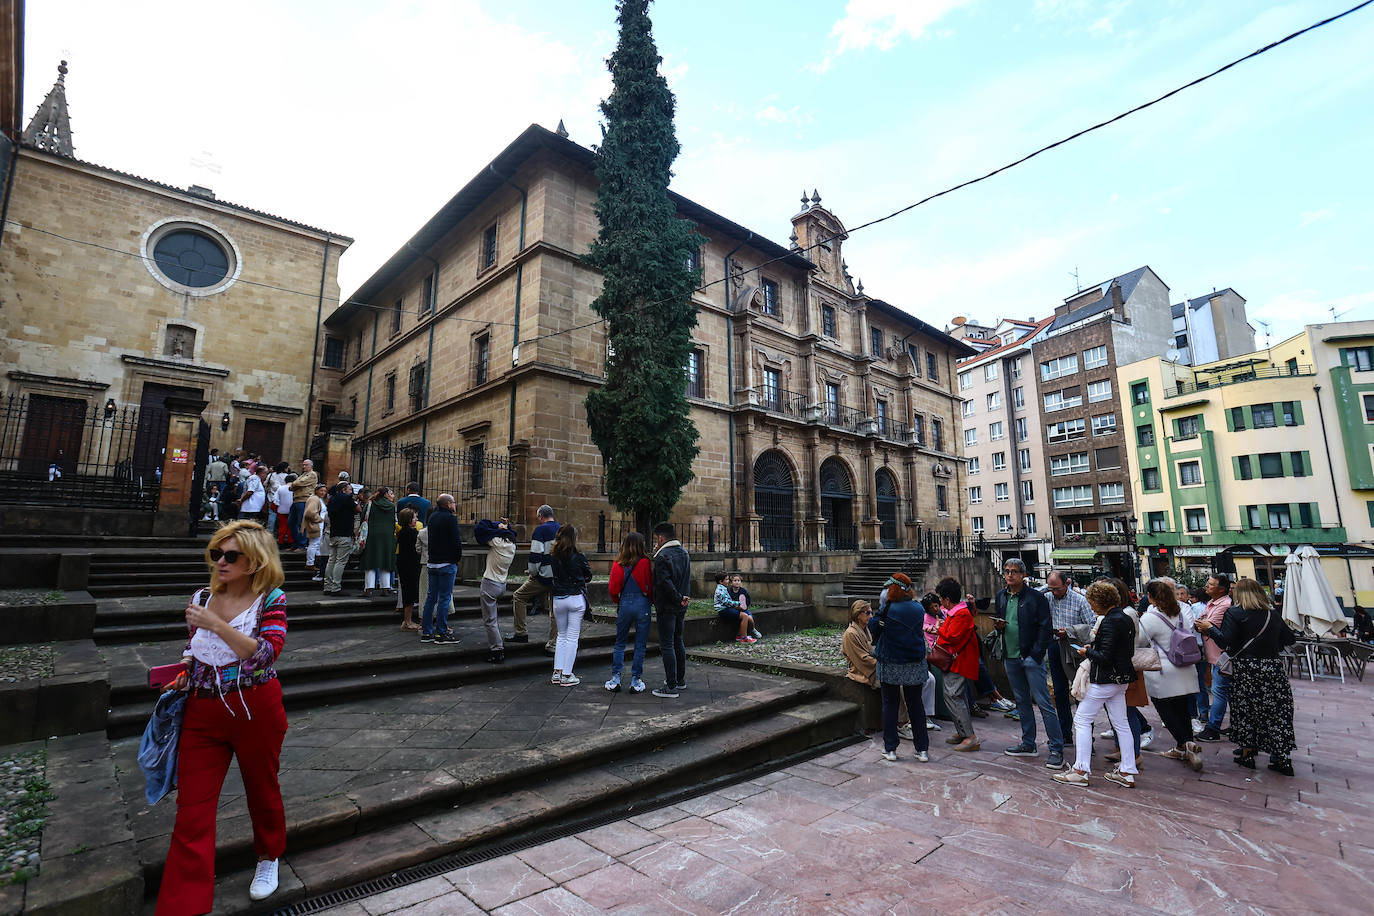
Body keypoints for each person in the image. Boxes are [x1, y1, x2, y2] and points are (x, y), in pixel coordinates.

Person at [154, 521, 289, 914]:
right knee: (192, 809)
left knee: (262, 790)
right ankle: (183, 904)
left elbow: (265, 653)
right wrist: (183, 671)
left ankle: (268, 857)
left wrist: (216, 624)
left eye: (231, 555)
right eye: (216, 553)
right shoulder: (202, 597)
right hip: (202, 712)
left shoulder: (271, 599)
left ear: (255, 561)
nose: (221, 562)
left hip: (255, 709)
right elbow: (194, 648)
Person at [1196, 579, 1298, 775]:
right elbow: (1289, 639)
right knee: (1277, 712)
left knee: (1246, 711)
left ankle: (1247, 753)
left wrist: (1210, 628)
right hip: (1272, 668)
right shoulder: (1272, 613)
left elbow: (1225, 642)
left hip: (1246, 668)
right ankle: (1281, 757)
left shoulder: (1234, 613)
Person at [1052, 580, 1138, 789]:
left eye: (1092, 602)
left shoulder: (1109, 621)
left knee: (1082, 720)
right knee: (1121, 723)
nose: (1090, 606)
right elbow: (1121, 650)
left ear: (1100, 601)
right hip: (1121, 679)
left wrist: (1087, 651)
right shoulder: (1125, 618)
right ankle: (1127, 771)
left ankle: (1080, 771)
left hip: (1106, 679)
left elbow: (1105, 657)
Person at [993, 559, 1065, 769]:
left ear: (1023, 574)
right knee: (1021, 701)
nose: (1010, 575)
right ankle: (1028, 743)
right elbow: (1003, 621)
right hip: (1010, 655)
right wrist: (999, 627)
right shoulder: (1001, 596)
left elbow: (1045, 628)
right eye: (1007, 571)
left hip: (1030, 657)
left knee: (1044, 703)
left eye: (1014, 571)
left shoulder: (1036, 598)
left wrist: (1035, 654)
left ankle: (1056, 748)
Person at [1140, 579, 1205, 772]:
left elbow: (1140, 641)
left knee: (1165, 709)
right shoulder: (1181, 613)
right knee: (1182, 709)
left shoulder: (1150, 617)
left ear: (1150, 597)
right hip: (1185, 666)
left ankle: (1186, 744)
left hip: (1163, 669)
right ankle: (1183, 746)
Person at [869, 575, 930, 762]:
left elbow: (872, 627)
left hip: (891, 662)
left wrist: (880, 610)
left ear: (894, 589)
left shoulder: (888, 609)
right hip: (914, 662)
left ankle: (890, 749)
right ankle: (922, 750)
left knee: (890, 705)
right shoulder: (918, 608)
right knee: (916, 705)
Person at [1045, 569, 1094, 746]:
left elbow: (1091, 626)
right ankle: (1065, 733)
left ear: (1067, 583)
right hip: (1055, 646)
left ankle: (1086, 736)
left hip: (1075, 648)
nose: (1054, 592)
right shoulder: (1047, 598)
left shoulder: (1080, 600)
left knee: (1080, 690)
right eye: (1051, 589)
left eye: (1057, 589)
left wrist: (1070, 631)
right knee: (1059, 692)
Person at [933, 576, 980, 752]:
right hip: (957, 659)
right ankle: (963, 732)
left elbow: (951, 636)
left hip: (959, 660)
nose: (940, 602)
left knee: (953, 695)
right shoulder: (958, 612)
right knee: (956, 695)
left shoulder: (960, 613)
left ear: (946, 599)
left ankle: (969, 736)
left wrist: (939, 628)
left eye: (941, 598)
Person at [606, 532, 653, 692]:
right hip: (642, 603)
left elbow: (613, 589)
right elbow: (650, 585)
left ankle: (616, 678)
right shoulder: (645, 562)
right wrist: (649, 599)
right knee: (640, 644)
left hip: (625, 603)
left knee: (620, 642)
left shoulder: (618, 563)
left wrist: (618, 601)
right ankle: (635, 680)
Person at [510, 505, 560, 652]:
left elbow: (536, 555)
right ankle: (553, 644)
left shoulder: (540, 530)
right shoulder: (561, 529)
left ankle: (521, 632)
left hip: (543, 576)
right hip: (558, 576)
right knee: (555, 611)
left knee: (519, 596)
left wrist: (532, 571)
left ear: (540, 516)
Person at [651, 523, 691, 699]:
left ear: (660, 538)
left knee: (667, 644)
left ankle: (671, 686)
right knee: (678, 640)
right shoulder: (684, 552)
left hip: (667, 605)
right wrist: (683, 598)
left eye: (656, 539)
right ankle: (680, 680)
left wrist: (677, 598)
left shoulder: (662, 556)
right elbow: (686, 578)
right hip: (681, 604)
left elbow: (664, 582)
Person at [549, 525, 592, 686]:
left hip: (558, 598)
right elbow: (588, 575)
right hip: (575, 598)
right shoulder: (579, 556)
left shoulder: (553, 555)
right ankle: (567, 675)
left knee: (561, 635)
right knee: (572, 637)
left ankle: (557, 672)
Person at [1195, 573, 1234, 742]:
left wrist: (1205, 626)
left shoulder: (1224, 605)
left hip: (1221, 656)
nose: (1207, 586)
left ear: (1221, 589)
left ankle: (1213, 728)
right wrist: (1204, 625)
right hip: (1214, 655)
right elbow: (1199, 622)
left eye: (1211, 584)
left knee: (1219, 692)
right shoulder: (1212, 603)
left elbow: (1210, 625)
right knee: (1226, 692)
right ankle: (1236, 725)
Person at [421, 494, 462, 645]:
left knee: (431, 598)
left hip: (432, 563)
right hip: (446, 563)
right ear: (448, 504)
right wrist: (457, 558)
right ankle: (441, 633)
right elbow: (456, 540)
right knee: (444, 598)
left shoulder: (432, 517)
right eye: (454, 502)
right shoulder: (450, 518)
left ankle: (426, 632)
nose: (455, 505)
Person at [473, 517, 516, 663]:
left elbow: (481, 528)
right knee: (493, 618)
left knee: (490, 620)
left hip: (490, 584)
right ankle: (497, 646)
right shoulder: (512, 545)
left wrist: (496, 526)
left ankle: (497, 650)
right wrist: (505, 527)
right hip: (502, 584)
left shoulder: (497, 542)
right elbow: (511, 533)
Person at [361, 486, 398, 597]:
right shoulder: (392, 506)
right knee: (386, 561)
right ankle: (385, 588)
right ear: (385, 494)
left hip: (372, 535)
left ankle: (368, 589)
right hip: (388, 536)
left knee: (370, 562)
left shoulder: (370, 504)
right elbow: (394, 521)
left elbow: (363, 518)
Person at [322, 482, 357, 595]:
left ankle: (327, 586)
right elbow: (358, 509)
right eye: (350, 489)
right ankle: (336, 587)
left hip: (334, 533)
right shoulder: (347, 498)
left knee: (331, 560)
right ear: (344, 490)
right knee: (340, 562)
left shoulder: (332, 500)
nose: (351, 492)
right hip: (345, 533)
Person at [395, 508, 423, 631]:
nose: (416, 519)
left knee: (409, 592)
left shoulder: (406, 531)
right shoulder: (408, 532)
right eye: (414, 517)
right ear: (408, 520)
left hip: (407, 564)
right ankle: (407, 621)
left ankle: (408, 620)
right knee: (409, 592)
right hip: (409, 565)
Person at [714, 571, 757, 643]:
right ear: (721, 581)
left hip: (726, 609)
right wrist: (738, 603)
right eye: (726, 579)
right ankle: (744, 638)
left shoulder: (723, 588)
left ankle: (740, 636)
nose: (728, 581)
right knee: (745, 616)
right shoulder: (720, 590)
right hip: (723, 610)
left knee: (744, 615)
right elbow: (726, 602)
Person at [287, 459, 318, 550]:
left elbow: (299, 483)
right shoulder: (302, 475)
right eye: (303, 465)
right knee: (291, 522)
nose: (303, 466)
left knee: (302, 523)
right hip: (296, 500)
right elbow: (292, 487)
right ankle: (296, 542)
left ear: (311, 466)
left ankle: (302, 544)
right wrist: (294, 485)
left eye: (306, 465)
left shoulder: (312, 474)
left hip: (304, 500)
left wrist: (294, 484)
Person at [303, 485, 327, 580]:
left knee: (317, 543)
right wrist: (320, 519)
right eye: (321, 490)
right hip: (316, 524)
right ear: (316, 491)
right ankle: (310, 563)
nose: (323, 492)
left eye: (324, 491)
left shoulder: (319, 499)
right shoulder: (314, 499)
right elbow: (310, 512)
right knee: (314, 543)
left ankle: (315, 561)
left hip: (318, 524)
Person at [729, 574, 762, 639]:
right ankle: (740, 634)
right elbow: (728, 602)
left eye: (738, 580)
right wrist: (735, 607)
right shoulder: (729, 591)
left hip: (744, 609)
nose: (737, 582)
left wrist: (744, 607)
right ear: (731, 583)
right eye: (735, 580)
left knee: (750, 619)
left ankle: (753, 630)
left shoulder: (743, 591)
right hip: (735, 609)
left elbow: (748, 600)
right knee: (741, 619)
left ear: (741, 582)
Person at [271, 474, 295, 546]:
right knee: (292, 527)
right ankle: (290, 541)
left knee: (282, 526)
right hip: (293, 510)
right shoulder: (296, 489)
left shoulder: (280, 488)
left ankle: (281, 541)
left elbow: (275, 500)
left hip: (282, 510)